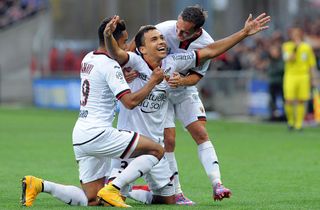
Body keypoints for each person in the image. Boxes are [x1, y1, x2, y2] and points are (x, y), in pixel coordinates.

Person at [105, 11, 270, 204]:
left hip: (170, 112)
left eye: (161, 38)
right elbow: (119, 54)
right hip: (131, 142)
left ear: (197, 30)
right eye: (155, 39)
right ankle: (116, 186)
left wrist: (244, 33)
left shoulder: (174, 61)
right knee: (101, 197)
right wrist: (111, 43)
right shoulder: (136, 60)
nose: (164, 40)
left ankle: (205, 185)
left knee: (168, 197)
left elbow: (210, 52)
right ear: (142, 48)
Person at [21, 17, 165, 208]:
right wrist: (152, 82)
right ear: (115, 41)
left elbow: (102, 81)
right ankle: (116, 187)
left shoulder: (88, 58)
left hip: (80, 135)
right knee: (157, 150)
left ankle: (39, 185)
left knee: (93, 200)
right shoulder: (110, 65)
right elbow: (129, 103)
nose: (125, 47)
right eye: (124, 41)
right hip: (99, 134)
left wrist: (120, 73)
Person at [282, 26, 318, 131]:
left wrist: (314, 79)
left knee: (301, 101)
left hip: (303, 76)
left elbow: (312, 65)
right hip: (290, 76)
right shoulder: (287, 46)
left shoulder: (307, 47)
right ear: (291, 35)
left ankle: (299, 124)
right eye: (294, 34)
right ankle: (290, 122)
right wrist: (296, 48)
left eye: (298, 34)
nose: (296, 36)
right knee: (289, 100)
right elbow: (288, 59)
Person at [267, 45, 285, 121]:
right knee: (272, 100)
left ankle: (285, 116)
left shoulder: (281, 60)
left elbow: (281, 69)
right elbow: (269, 72)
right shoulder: (271, 61)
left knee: (284, 99)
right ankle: (273, 115)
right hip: (272, 83)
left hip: (280, 82)